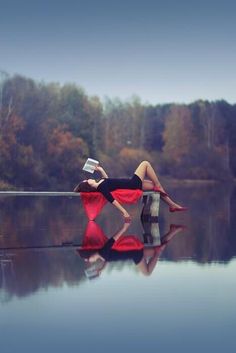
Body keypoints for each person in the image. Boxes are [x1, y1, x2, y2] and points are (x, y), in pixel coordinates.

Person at [75, 160, 187, 221]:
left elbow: (107, 179)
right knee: (145, 163)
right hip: (132, 183)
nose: (87, 179)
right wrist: (125, 213)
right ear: (88, 185)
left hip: (132, 184)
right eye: (86, 181)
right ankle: (170, 201)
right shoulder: (101, 188)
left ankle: (172, 205)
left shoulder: (101, 183)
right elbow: (112, 200)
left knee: (154, 186)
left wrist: (100, 169)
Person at [78, 221, 186, 278]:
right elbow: (107, 258)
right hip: (134, 252)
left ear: (91, 255)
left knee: (147, 272)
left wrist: (124, 228)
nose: (88, 261)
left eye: (87, 259)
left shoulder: (103, 252)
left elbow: (113, 239)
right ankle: (173, 231)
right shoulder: (102, 254)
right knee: (157, 248)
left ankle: (170, 235)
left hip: (136, 255)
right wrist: (102, 268)